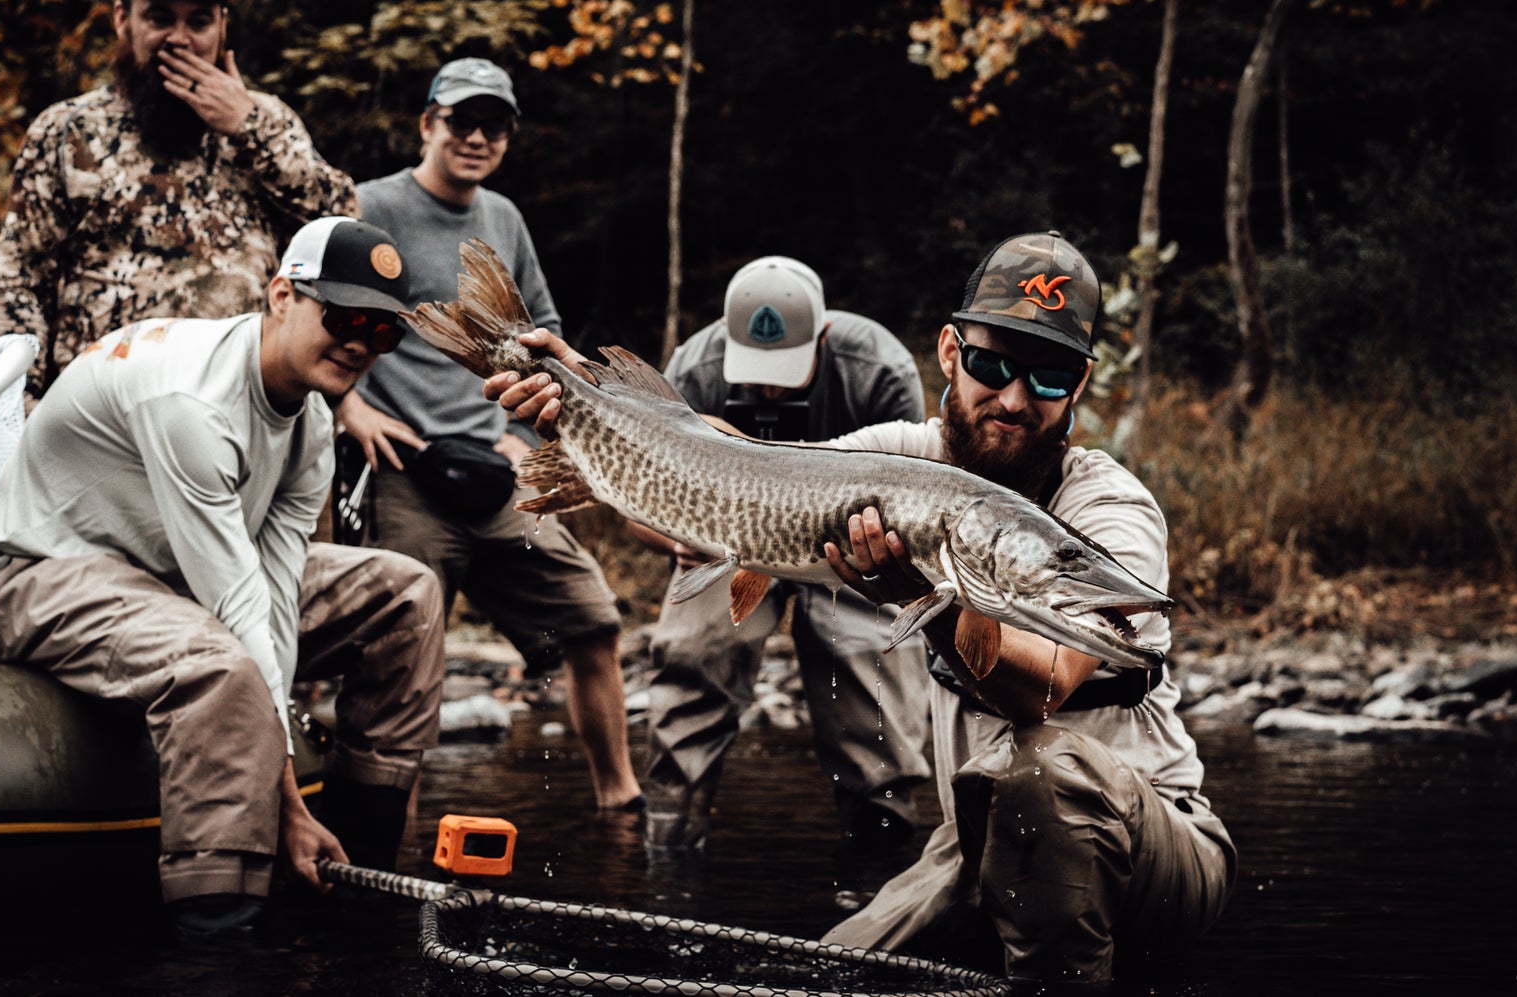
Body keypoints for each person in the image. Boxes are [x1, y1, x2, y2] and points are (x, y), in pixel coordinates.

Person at [488, 233, 1233, 991]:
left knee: (1044, 769)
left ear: (1079, 384)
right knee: (814, 977)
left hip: (1157, 858)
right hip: (977, 847)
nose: (1013, 396)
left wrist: (926, 598)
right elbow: (753, 470)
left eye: (1048, 374)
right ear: (949, 351)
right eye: (991, 363)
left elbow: (1037, 690)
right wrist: (581, 395)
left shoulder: (1110, 510)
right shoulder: (903, 457)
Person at [0, 217, 446, 943]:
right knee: (222, 667)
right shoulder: (192, 401)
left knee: (409, 596)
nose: (361, 343)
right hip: (35, 570)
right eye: (343, 317)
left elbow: (274, 590)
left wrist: (306, 813)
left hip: (168, 574)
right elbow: (237, 615)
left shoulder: (311, 425)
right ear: (281, 295)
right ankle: (218, 940)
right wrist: (288, 807)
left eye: (383, 331)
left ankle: (359, 880)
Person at [334, 58, 641, 813]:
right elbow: (316, 312)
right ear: (427, 123)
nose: (476, 137)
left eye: (493, 125)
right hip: (404, 466)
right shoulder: (370, 205)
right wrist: (351, 407)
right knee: (404, 650)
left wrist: (514, 431)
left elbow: (547, 331)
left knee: (593, 617)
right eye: (461, 121)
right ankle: (385, 836)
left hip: (496, 474)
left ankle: (622, 809)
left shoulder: (503, 217)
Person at [637, 256, 933, 854]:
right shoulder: (694, 369)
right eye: (755, 371)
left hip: (852, 553)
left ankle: (881, 857)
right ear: (725, 336)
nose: (768, 388)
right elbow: (640, 497)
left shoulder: (880, 371)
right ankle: (667, 845)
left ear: (822, 336)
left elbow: (915, 499)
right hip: (728, 542)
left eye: (784, 372)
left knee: (874, 683)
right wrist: (673, 539)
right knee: (694, 656)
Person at [0, 0, 359, 400]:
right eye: (159, 18)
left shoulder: (268, 122)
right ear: (123, 20)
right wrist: (17, 407)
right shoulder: (67, 130)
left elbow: (342, 233)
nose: (179, 39)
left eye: (199, 21)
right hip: (100, 414)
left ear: (223, 27)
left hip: (238, 408)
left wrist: (249, 128)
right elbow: (19, 284)